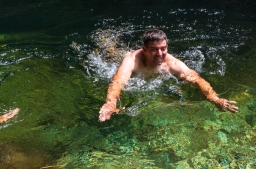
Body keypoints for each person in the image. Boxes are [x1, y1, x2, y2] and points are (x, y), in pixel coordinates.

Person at [98, 29, 238, 122]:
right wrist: (110, 103)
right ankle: (107, 43)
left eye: (163, 49)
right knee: (111, 56)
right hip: (125, 60)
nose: (160, 54)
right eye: (154, 50)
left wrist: (214, 98)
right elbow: (117, 82)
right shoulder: (132, 61)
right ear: (144, 49)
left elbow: (197, 79)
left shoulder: (172, 63)